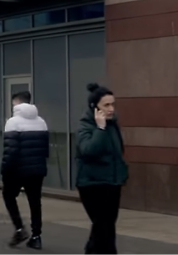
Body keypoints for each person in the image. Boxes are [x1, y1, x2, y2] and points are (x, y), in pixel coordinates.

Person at [76, 83, 127, 255]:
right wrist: (100, 128)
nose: (111, 109)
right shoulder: (86, 125)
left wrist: (122, 172)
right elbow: (88, 151)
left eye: (113, 104)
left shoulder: (113, 125)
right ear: (95, 108)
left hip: (112, 182)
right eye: (106, 105)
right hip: (92, 184)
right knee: (102, 226)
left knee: (106, 226)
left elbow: (118, 151)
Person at [1, 90, 49, 250]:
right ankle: (36, 236)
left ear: (17, 103)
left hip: (17, 170)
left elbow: (11, 150)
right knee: (35, 202)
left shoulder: (13, 122)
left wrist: (5, 169)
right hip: (37, 169)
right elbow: (45, 149)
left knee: (8, 196)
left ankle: (19, 228)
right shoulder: (41, 122)